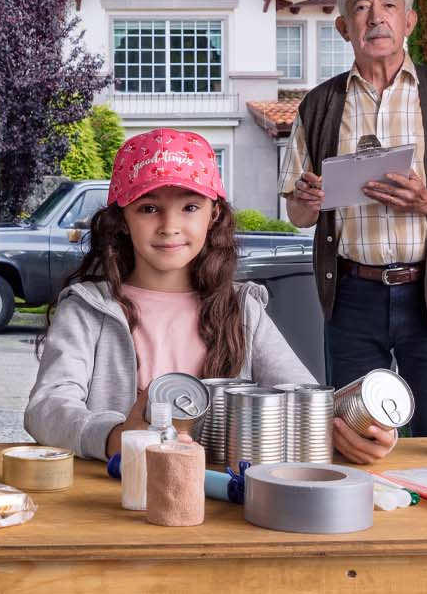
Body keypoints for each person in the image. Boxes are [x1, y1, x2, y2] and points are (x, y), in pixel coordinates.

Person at [25, 129, 395, 465]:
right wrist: (113, 437)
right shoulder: (87, 310)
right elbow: (46, 408)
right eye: (149, 208)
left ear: (213, 215)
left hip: (226, 504)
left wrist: (357, 429)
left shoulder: (242, 309)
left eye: (190, 207)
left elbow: (301, 397)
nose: (170, 226)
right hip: (119, 501)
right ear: (122, 219)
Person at [282, 0, 427, 438]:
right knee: (354, 434)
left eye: (388, 5)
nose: (375, 17)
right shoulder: (318, 106)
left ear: (410, 21)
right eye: (360, 7)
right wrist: (308, 199)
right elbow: (297, 214)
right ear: (343, 27)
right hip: (351, 295)